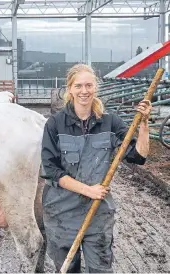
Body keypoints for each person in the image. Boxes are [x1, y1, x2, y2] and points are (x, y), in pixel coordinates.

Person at [40, 63, 151, 273]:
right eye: (79, 86)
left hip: (97, 215)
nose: (84, 91)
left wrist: (144, 124)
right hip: (61, 215)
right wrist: (88, 190)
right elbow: (51, 171)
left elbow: (138, 156)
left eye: (89, 85)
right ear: (70, 89)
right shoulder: (55, 124)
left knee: (100, 270)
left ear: (95, 88)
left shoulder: (110, 122)